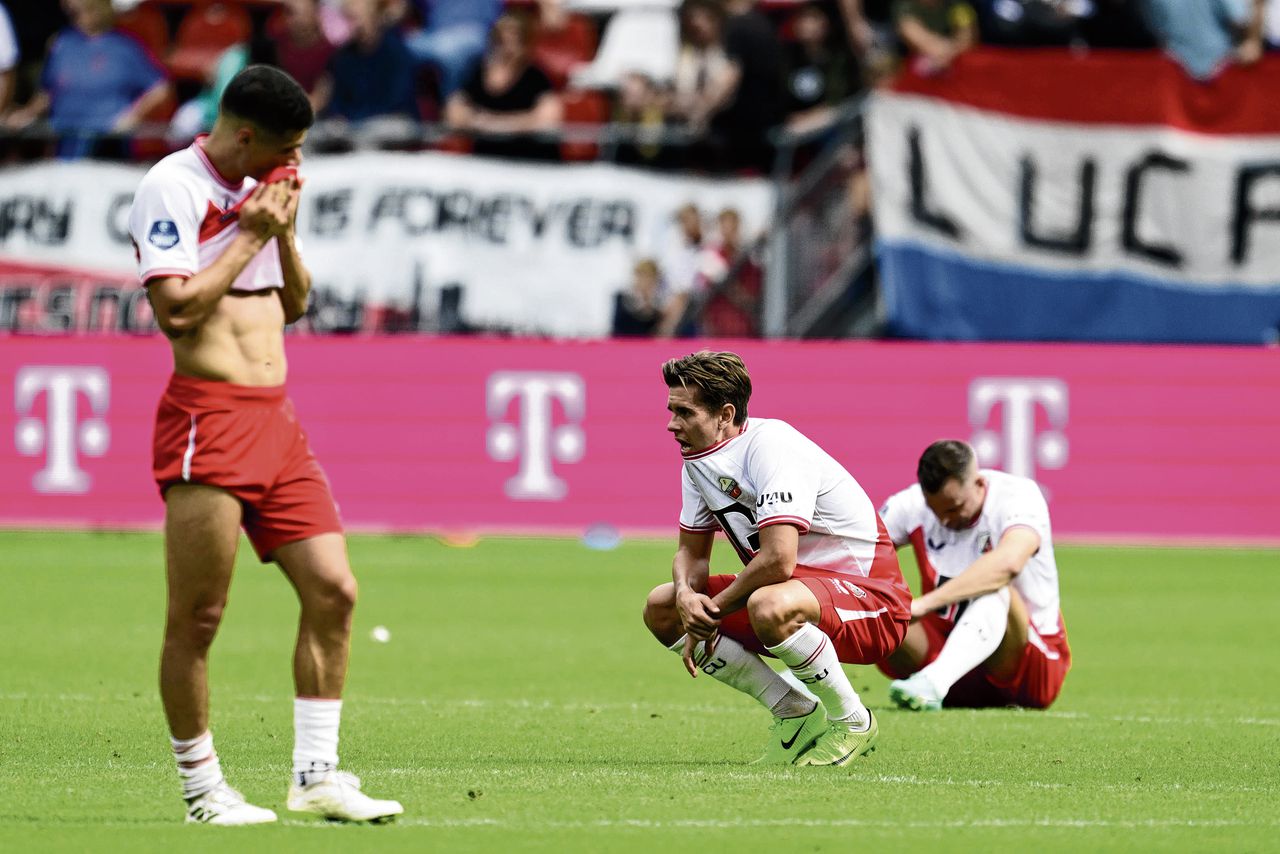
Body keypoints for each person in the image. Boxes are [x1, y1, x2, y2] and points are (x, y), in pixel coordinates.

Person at [127, 65, 402, 825]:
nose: (297, 165)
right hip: (206, 420)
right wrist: (248, 232)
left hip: (275, 420)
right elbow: (177, 311)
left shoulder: (268, 193)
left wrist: (278, 237)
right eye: (289, 148)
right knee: (199, 617)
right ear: (245, 136)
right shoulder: (172, 188)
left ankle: (316, 776)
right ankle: (202, 791)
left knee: (334, 590)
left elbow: (299, 302)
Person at [643, 351, 912, 766]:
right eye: (671, 410)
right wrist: (685, 596)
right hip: (795, 595)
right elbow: (690, 554)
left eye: (685, 412)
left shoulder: (773, 447)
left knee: (768, 603)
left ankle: (854, 721)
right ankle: (793, 712)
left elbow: (778, 561)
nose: (671, 423)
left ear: (724, 414)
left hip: (873, 602)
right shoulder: (698, 461)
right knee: (662, 609)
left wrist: (710, 610)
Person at [877, 440, 1071, 710]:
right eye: (936, 511)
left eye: (955, 508)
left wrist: (923, 605)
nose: (944, 521)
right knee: (875, 602)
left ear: (979, 484)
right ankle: (815, 677)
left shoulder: (1018, 495)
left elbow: (1009, 564)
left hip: (1024, 665)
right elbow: (858, 554)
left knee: (997, 588)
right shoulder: (909, 504)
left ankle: (933, 683)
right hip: (943, 653)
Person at [4, 0, 172, 158]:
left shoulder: (126, 47)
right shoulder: (61, 43)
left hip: (108, 144)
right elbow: (47, 93)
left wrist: (133, 116)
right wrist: (27, 114)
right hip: (64, 141)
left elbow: (160, 88)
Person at [444, 11, 563, 161]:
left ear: (526, 44)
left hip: (529, 161)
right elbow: (454, 112)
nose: (508, 47)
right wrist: (474, 121)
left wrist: (497, 124)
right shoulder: (477, 72)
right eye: (501, 40)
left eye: (515, 40)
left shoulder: (537, 77)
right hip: (485, 162)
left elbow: (549, 120)